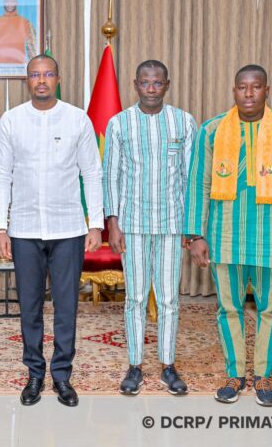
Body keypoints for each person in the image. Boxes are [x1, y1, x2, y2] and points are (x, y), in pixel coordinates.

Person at [183, 64, 272, 407]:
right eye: (242, 87)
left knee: (271, 310)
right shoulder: (212, 130)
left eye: (255, 87)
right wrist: (195, 235)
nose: (248, 93)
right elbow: (198, 183)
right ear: (234, 90)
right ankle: (235, 374)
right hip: (225, 238)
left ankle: (263, 375)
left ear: (266, 90)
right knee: (228, 308)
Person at [0, 54, 103, 407]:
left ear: (58, 78)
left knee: (66, 306)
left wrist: (95, 223)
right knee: (30, 306)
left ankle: (62, 375)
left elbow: (92, 173)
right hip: (24, 229)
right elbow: (1, 176)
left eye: (48, 74)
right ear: (27, 80)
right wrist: (0, 227)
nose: (41, 80)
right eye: (35, 75)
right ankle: (35, 374)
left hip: (68, 228)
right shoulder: (11, 121)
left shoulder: (77, 119)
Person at [103, 60, 196, 396]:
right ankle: (135, 365)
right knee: (136, 298)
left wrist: (191, 226)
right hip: (132, 225)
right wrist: (113, 222)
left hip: (172, 224)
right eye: (145, 83)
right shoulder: (119, 124)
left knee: (169, 298)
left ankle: (168, 365)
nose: (152, 89)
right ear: (135, 85)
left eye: (158, 83)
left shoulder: (183, 121)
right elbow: (111, 175)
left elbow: (190, 177)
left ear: (167, 85)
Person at [0, 0, 37, 64]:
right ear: (4, 2)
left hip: (19, 66)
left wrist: (33, 66)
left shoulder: (25, 23)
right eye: (7, 1)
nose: (9, 4)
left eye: (12, 1)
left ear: (16, 3)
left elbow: (32, 48)